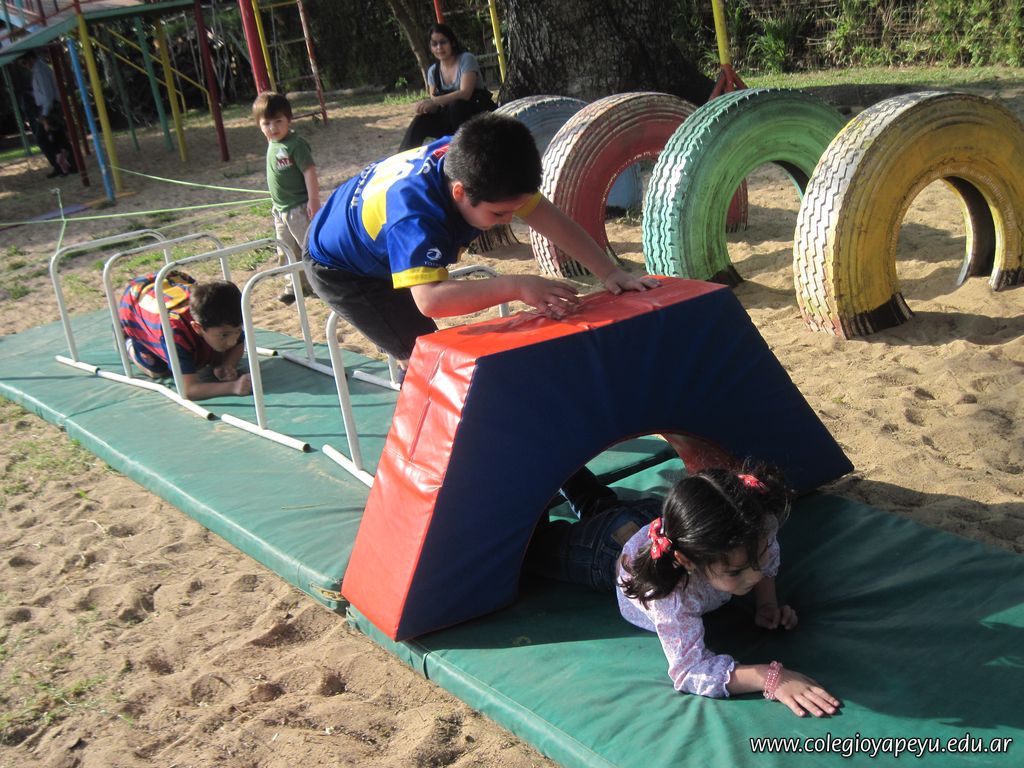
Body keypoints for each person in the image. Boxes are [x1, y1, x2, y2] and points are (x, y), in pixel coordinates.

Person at [304, 112, 658, 370]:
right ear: (459, 192)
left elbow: (546, 216)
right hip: (342, 270)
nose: (508, 220)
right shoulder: (416, 218)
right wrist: (517, 286)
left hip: (373, 238)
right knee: (424, 356)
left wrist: (610, 272)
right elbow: (431, 300)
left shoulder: (478, 162)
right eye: (500, 214)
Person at [615, 465, 841, 717]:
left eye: (760, 558)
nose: (755, 576)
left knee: (624, 510)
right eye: (736, 572)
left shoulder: (756, 529)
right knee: (601, 525)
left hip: (657, 522)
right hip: (606, 557)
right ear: (688, 561)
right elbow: (689, 671)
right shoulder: (671, 596)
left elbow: (765, 556)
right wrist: (772, 678)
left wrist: (767, 603)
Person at [118, 271, 252, 401]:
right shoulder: (175, 334)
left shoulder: (228, 319)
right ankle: (127, 342)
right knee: (158, 371)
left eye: (238, 330)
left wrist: (227, 365)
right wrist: (233, 387)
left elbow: (238, 344)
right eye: (224, 335)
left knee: (216, 354)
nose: (232, 341)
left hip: (172, 289)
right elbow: (188, 390)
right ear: (197, 328)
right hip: (135, 307)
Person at [253, 91, 320, 305]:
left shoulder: (295, 144)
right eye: (266, 123)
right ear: (260, 125)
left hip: (298, 208)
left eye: (278, 121)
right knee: (285, 249)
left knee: (308, 248)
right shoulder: (272, 143)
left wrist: (313, 199)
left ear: (288, 120)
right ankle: (294, 286)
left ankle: (319, 284)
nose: (273, 128)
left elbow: (309, 171)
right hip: (279, 210)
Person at [398, 23, 496, 152]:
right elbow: (436, 105)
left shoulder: (466, 59)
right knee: (420, 121)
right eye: (434, 44)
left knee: (456, 105)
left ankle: (462, 151)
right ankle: (402, 157)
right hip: (450, 122)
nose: (439, 48)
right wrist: (425, 107)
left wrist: (434, 101)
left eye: (443, 42)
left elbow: (465, 93)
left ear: (452, 43)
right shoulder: (433, 71)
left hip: (476, 117)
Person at [19, 50, 76, 179]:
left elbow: (47, 94)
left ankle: (62, 164)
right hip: (49, 107)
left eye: (24, 63)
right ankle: (68, 164)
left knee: (44, 138)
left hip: (49, 108)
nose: (25, 66)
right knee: (58, 137)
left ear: (31, 59)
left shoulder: (40, 71)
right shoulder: (39, 70)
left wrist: (44, 114)